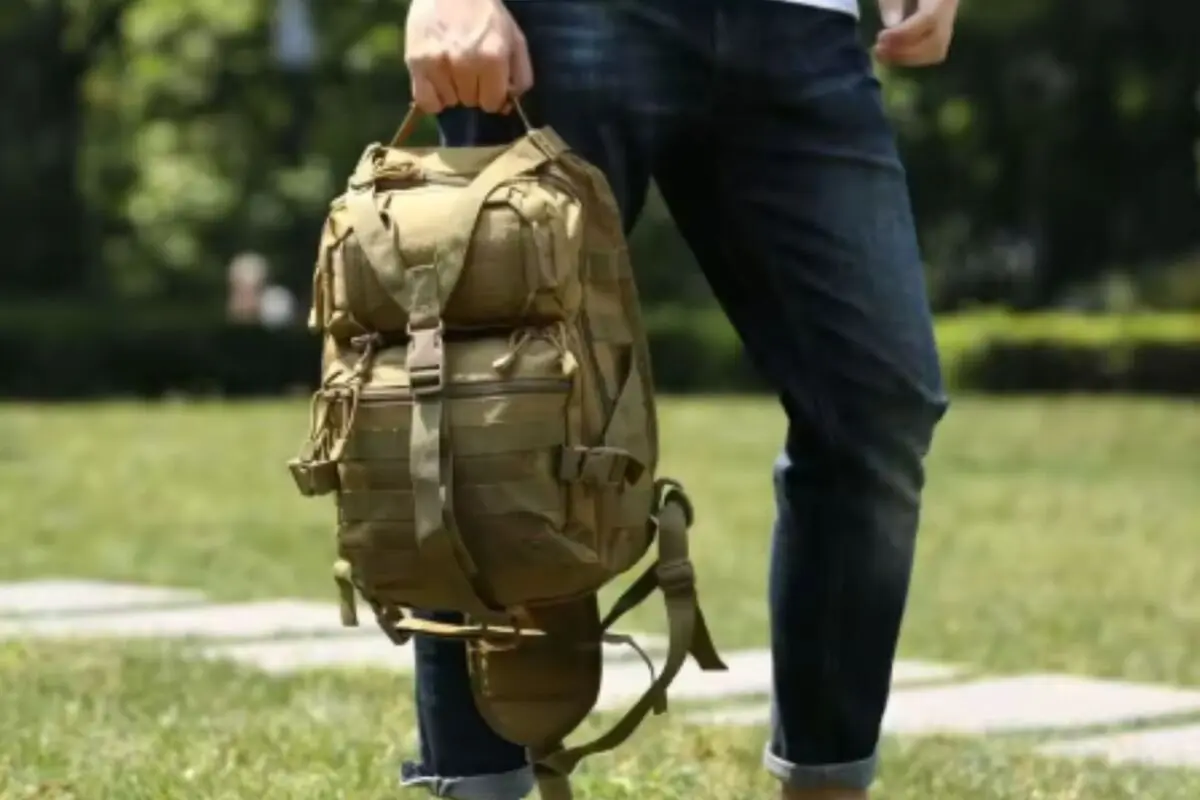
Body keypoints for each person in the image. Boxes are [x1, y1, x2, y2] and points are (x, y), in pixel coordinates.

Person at [398, 0, 957, 798]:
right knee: (499, 408)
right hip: (565, 21)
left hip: (804, 29)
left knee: (878, 404)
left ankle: (827, 784)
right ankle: (477, 786)